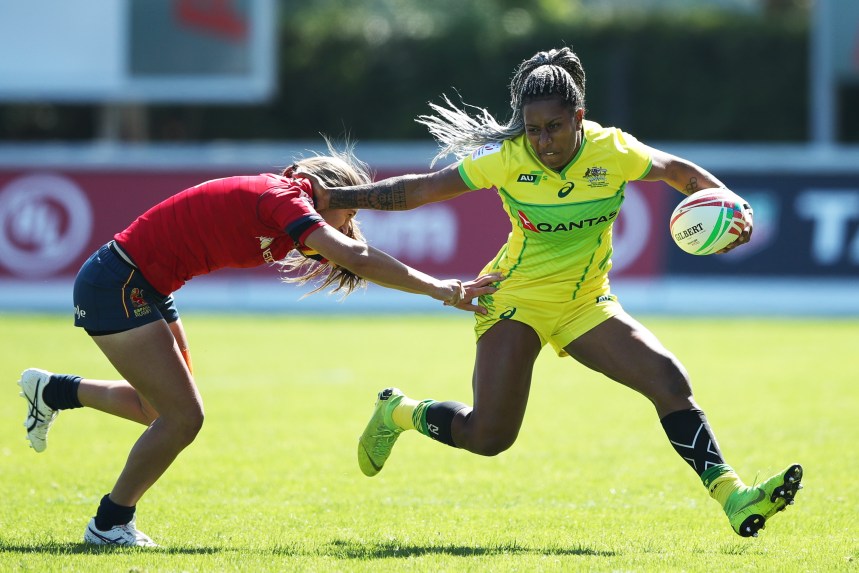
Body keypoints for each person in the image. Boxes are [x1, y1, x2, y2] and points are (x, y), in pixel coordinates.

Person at [310, 47, 803, 538]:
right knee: (489, 437)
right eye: (533, 129)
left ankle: (734, 497)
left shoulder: (613, 150)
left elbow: (679, 172)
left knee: (670, 382)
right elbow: (420, 190)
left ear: (579, 119)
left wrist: (729, 204)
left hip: (586, 302)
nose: (543, 141)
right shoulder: (506, 160)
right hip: (514, 299)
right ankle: (399, 411)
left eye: (554, 127)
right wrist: (338, 200)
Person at [17, 141, 500, 547]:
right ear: (327, 194)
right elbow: (358, 256)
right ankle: (109, 523)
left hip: (142, 284)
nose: (347, 226)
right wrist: (443, 288)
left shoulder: (290, 202)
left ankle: (55, 392)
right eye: (348, 213)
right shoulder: (285, 199)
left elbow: (353, 256)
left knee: (156, 411)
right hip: (118, 284)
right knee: (183, 418)